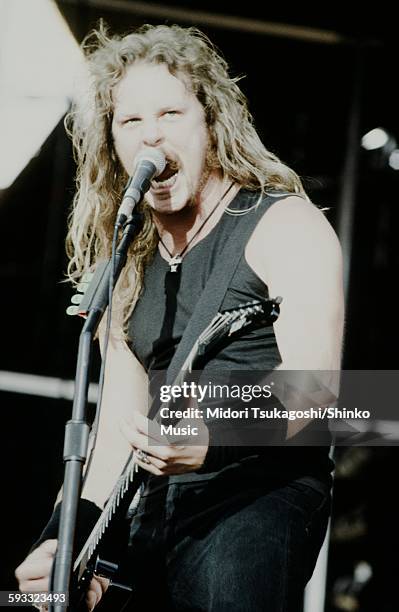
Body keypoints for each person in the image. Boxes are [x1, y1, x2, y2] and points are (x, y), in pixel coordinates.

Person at [15, 23, 344, 611]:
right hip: (154, 505)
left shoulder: (284, 223)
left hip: (256, 494)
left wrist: (212, 437)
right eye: (131, 121)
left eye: (170, 114)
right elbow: (119, 423)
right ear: (111, 144)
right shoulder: (129, 257)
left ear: (210, 124)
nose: (151, 137)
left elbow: (328, 396)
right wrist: (65, 545)